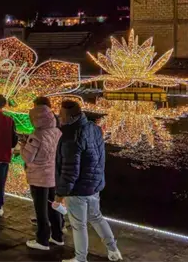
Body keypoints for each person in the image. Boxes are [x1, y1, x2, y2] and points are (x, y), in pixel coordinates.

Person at [55, 100, 123, 262]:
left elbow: (70, 171)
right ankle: (113, 250)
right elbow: (99, 156)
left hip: (77, 189)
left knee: (79, 225)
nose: (59, 117)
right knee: (96, 217)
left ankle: (80, 258)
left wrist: (60, 194)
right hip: (94, 185)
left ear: (71, 117)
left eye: (61, 114)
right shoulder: (94, 128)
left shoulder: (70, 136)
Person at [22, 97, 64, 251]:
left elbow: (28, 157)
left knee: (41, 210)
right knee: (53, 206)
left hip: (38, 177)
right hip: (52, 175)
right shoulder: (57, 132)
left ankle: (42, 240)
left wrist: (23, 146)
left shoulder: (37, 135)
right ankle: (57, 236)